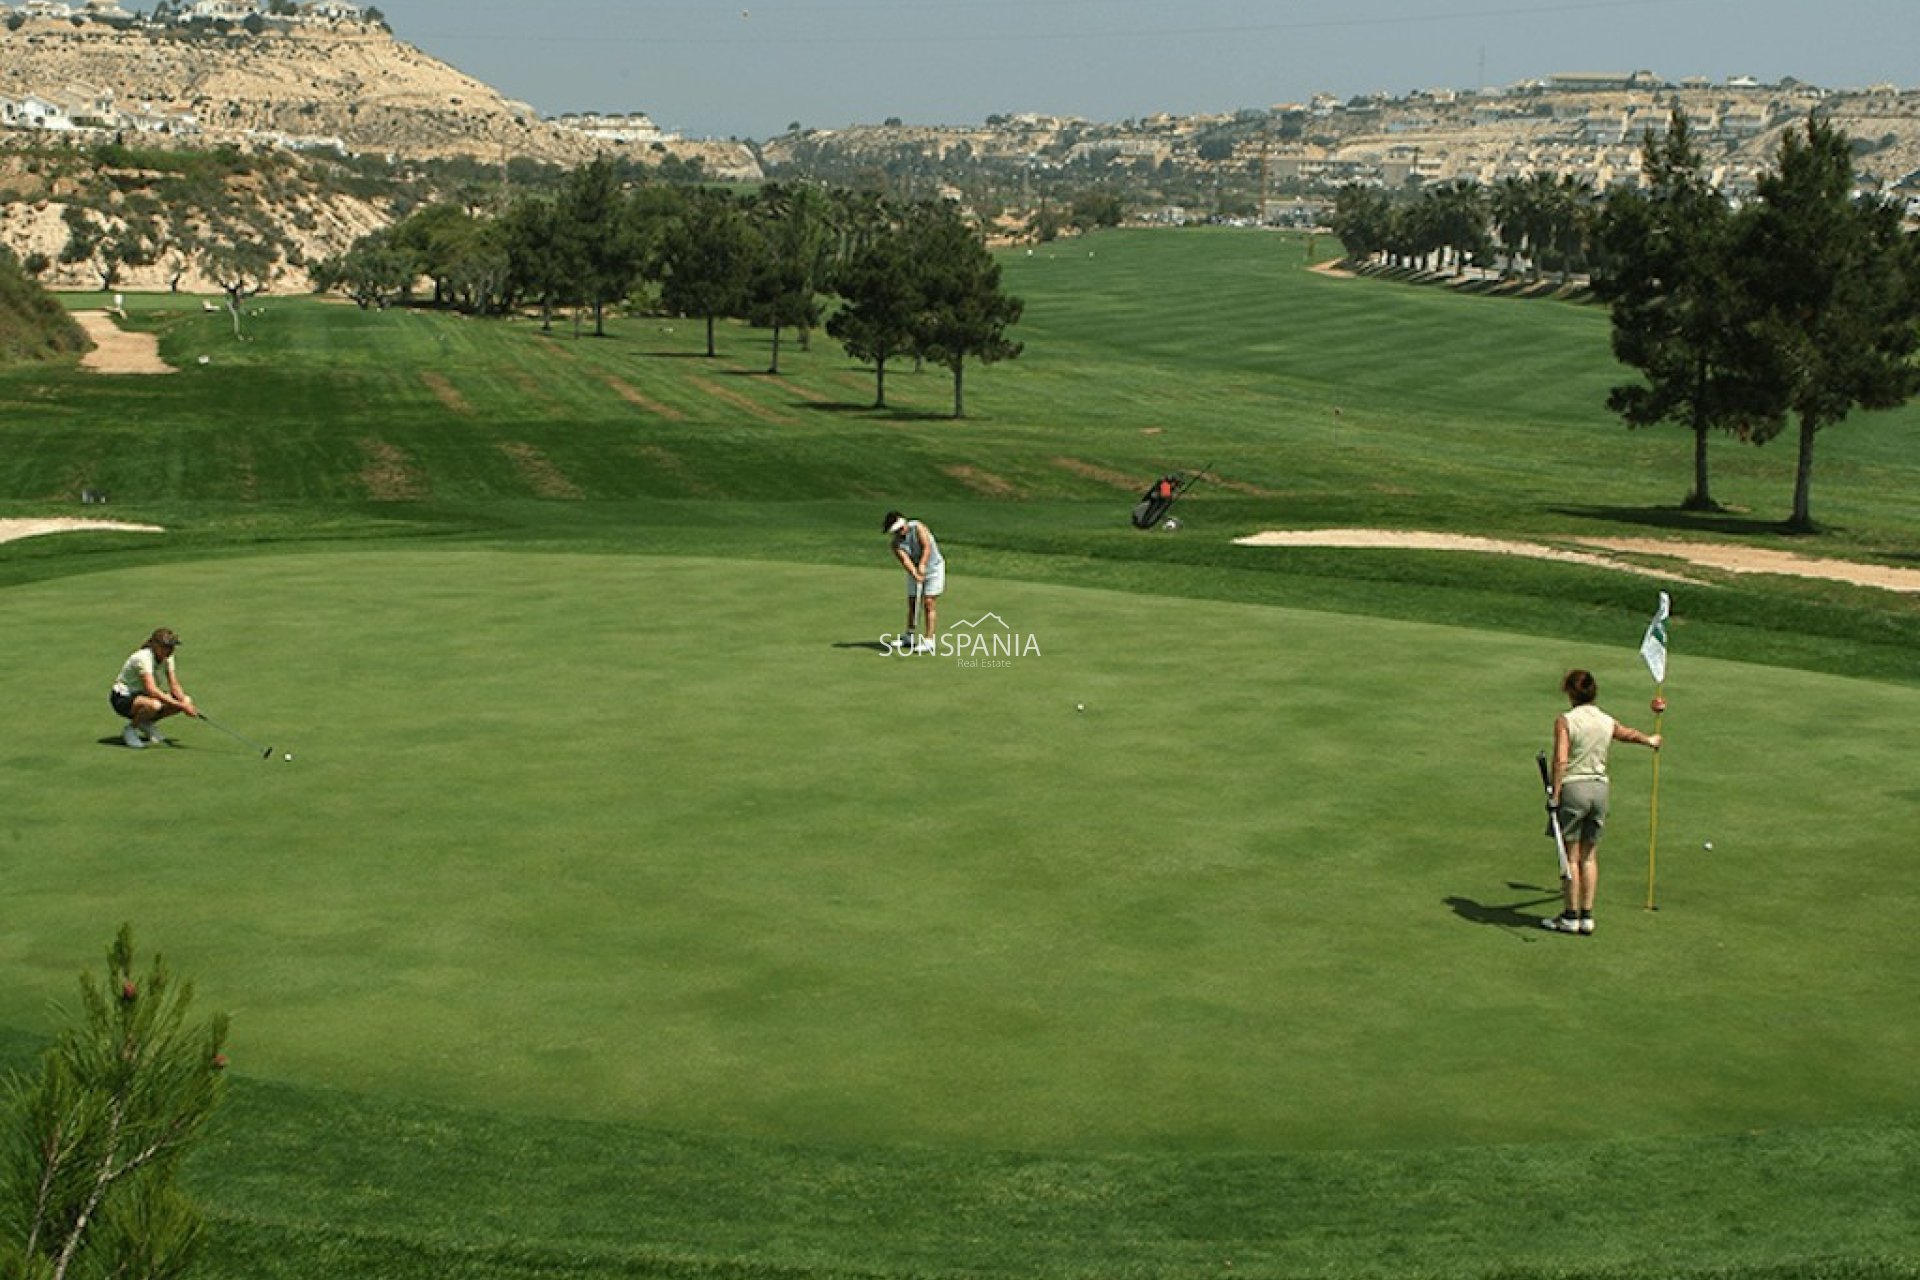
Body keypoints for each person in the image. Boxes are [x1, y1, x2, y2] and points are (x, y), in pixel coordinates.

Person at [1543, 669, 1662, 935]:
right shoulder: (1605, 719)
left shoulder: (1566, 720)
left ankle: (1570, 916)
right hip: (1600, 791)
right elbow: (1626, 733)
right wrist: (1649, 740)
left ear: (1571, 692)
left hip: (1575, 789)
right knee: (1589, 856)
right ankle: (1587, 916)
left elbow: (1561, 760)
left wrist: (1555, 793)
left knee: (1571, 856)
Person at [110, 628, 198, 749]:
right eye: (167, 647)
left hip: (143, 695)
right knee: (155, 705)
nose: (171, 650)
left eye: (172, 647)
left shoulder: (168, 657)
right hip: (123, 698)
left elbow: (174, 684)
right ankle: (130, 730)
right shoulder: (143, 658)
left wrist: (185, 703)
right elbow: (152, 689)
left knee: (185, 700)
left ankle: (145, 723)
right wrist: (182, 706)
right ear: (156, 646)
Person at [882, 510, 944, 653]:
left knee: (929, 602)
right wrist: (915, 573)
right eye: (897, 531)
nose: (900, 532)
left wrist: (922, 565)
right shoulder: (896, 544)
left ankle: (929, 640)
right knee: (913, 603)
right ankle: (908, 636)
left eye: (901, 529)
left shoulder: (918, 527)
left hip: (934, 568)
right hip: (916, 570)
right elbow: (905, 560)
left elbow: (927, 547)